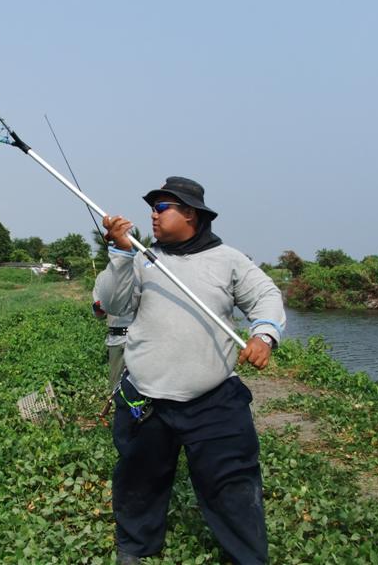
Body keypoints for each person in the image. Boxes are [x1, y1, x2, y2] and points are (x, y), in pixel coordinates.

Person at [94, 176, 285, 565]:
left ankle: (247, 558)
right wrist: (120, 252)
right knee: (139, 480)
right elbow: (111, 302)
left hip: (213, 400)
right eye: (153, 207)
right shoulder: (142, 259)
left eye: (163, 208)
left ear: (191, 215)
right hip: (146, 397)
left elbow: (266, 296)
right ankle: (135, 547)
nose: (153, 215)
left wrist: (264, 336)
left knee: (232, 485)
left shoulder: (229, 260)